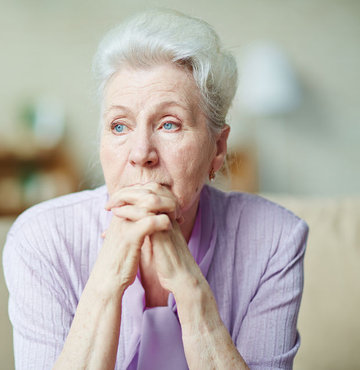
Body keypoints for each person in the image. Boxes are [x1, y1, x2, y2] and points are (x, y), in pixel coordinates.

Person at [3, 9, 308, 370]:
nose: (140, 154)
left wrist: (189, 287)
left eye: (169, 124)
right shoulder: (41, 238)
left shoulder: (276, 239)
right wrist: (108, 278)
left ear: (218, 149)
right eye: (119, 126)